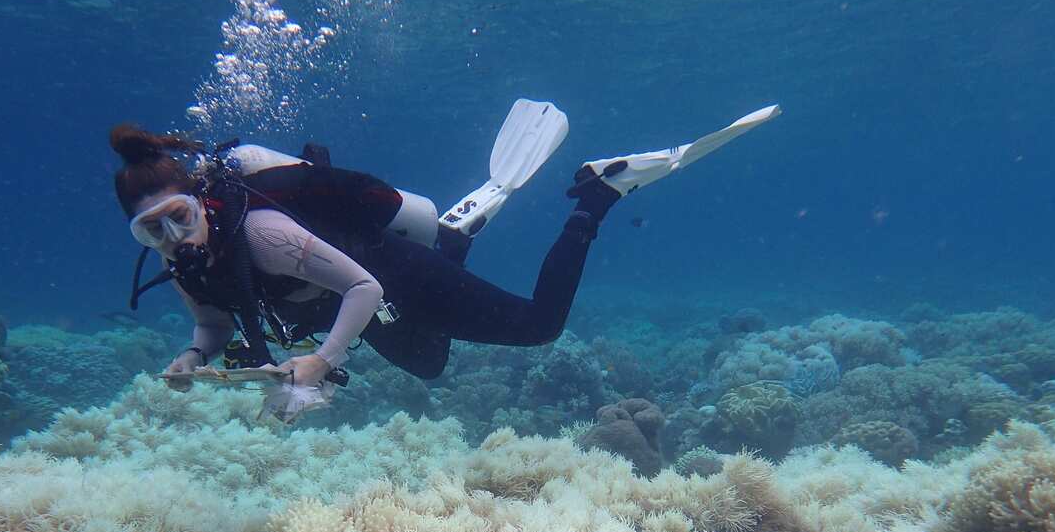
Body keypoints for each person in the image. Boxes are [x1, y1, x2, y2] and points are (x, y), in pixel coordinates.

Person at [111, 102, 779, 420]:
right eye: (153, 232)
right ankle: (454, 235)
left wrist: (322, 361)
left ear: (202, 201)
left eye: (180, 217)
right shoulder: (187, 267)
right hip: (355, 301)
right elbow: (213, 326)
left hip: (384, 275)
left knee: (539, 325)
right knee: (430, 364)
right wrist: (194, 358)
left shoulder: (262, 236)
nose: (174, 237)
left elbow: (364, 288)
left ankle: (598, 196)